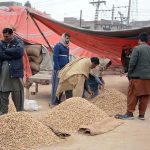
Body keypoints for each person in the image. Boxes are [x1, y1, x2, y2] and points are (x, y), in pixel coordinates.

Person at [115, 32, 150, 120]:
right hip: (147, 78)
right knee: (144, 95)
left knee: (132, 95)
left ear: (139, 39)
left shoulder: (137, 48)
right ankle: (141, 115)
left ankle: (129, 113)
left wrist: (129, 73)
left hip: (136, 77)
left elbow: (132, 63)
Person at [0, 28, 24, 115]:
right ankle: (3, 114)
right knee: (3, 93)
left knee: (17, 93)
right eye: (4, 36)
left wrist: (5, 51)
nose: (5, 38)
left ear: (12, 34)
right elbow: (0, 54)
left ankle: (19, 114)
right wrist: (12, 55)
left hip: (15, 72)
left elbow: (19, 52)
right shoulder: (1, 43)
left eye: (7, 36)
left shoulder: (18, 42)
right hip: (4, 74)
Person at [50, 33, 72, 105]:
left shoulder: (67, 47)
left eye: (68, 38)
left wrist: (68, 67)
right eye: (66, 38)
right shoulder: (58, 46)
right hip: (58, 69)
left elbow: (67, 58)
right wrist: (58, 68)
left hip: (65, 69)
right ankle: (54, 101)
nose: (68, 40)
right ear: (63, 38)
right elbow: (55, 57)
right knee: (56, 86)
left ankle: (59, 100)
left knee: (62, 85)